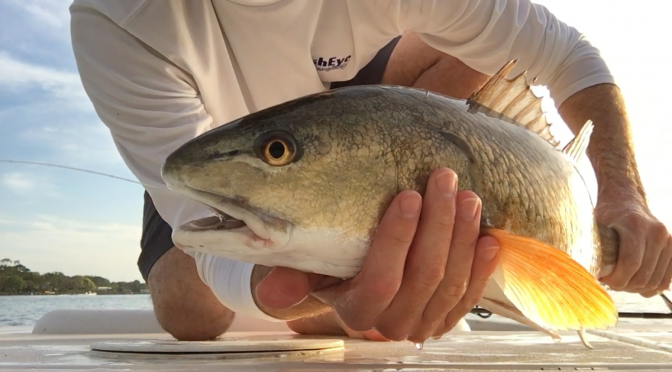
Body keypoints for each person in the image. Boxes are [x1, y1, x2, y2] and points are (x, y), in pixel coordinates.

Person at [69, 0, 672, 343]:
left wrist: (625, 196)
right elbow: (186, 208)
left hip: (371, 112)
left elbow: (567, 54)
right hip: (219, 151)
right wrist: (299, 295)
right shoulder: (114, 18)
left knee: (470, 46)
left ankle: (400, 270)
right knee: (190, 314)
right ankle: (376, 278)